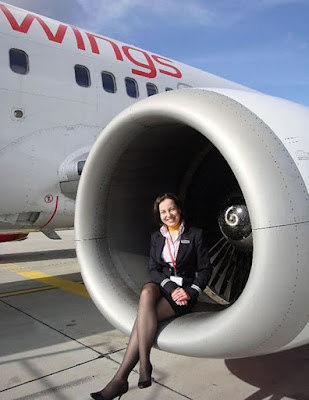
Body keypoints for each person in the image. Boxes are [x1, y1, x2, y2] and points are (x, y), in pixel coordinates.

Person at [90, 193, 212, 400]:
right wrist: (170, 286)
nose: (168, 215)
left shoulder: (195, 235)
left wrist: (191, 292)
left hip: (184, 293)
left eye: (171, 209)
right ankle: (145, 361)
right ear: (159, 215)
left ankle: (120, 380)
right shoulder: (157, 237)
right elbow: (154, 270)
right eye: (163, 212)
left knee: (143, 321)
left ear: (179, 209)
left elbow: (206, 270)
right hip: (163, 286)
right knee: (147, 291)